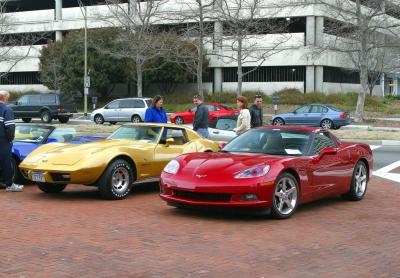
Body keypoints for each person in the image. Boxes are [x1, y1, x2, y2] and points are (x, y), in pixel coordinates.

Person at [0, 91, 23, 192]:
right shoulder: (7, 110)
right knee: (6, 162)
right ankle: (9, 185)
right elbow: (10, 127)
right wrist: (10, 139)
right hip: (3, 140)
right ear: (5, 98)